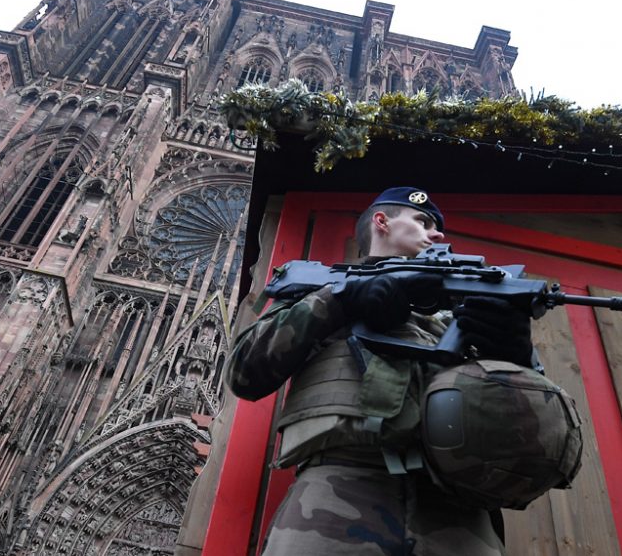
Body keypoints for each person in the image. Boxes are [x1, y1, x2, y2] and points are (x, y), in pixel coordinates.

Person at [227, 187, 536, 555]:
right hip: (335, 496)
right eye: (422, 221)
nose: (437, 234)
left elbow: (525, 429)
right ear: (381, 222)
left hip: (460, 509)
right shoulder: (323, 287)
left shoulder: (462, 312)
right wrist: (339, 301)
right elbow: (245, 372)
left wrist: (516, 356)